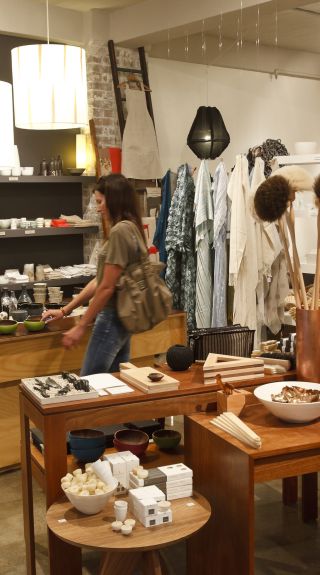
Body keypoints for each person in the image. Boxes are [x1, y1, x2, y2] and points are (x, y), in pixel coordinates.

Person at [42, 173, 147, 376]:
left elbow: (106, 287)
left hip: (112, 318)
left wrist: (81, 326)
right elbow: (100, 280)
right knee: (115, 384)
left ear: (114, 200)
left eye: (100, 201)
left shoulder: (119, 232)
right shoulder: (132, 228)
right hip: (125, 317)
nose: (98, 208)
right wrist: (65, 311)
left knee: (88, 383)